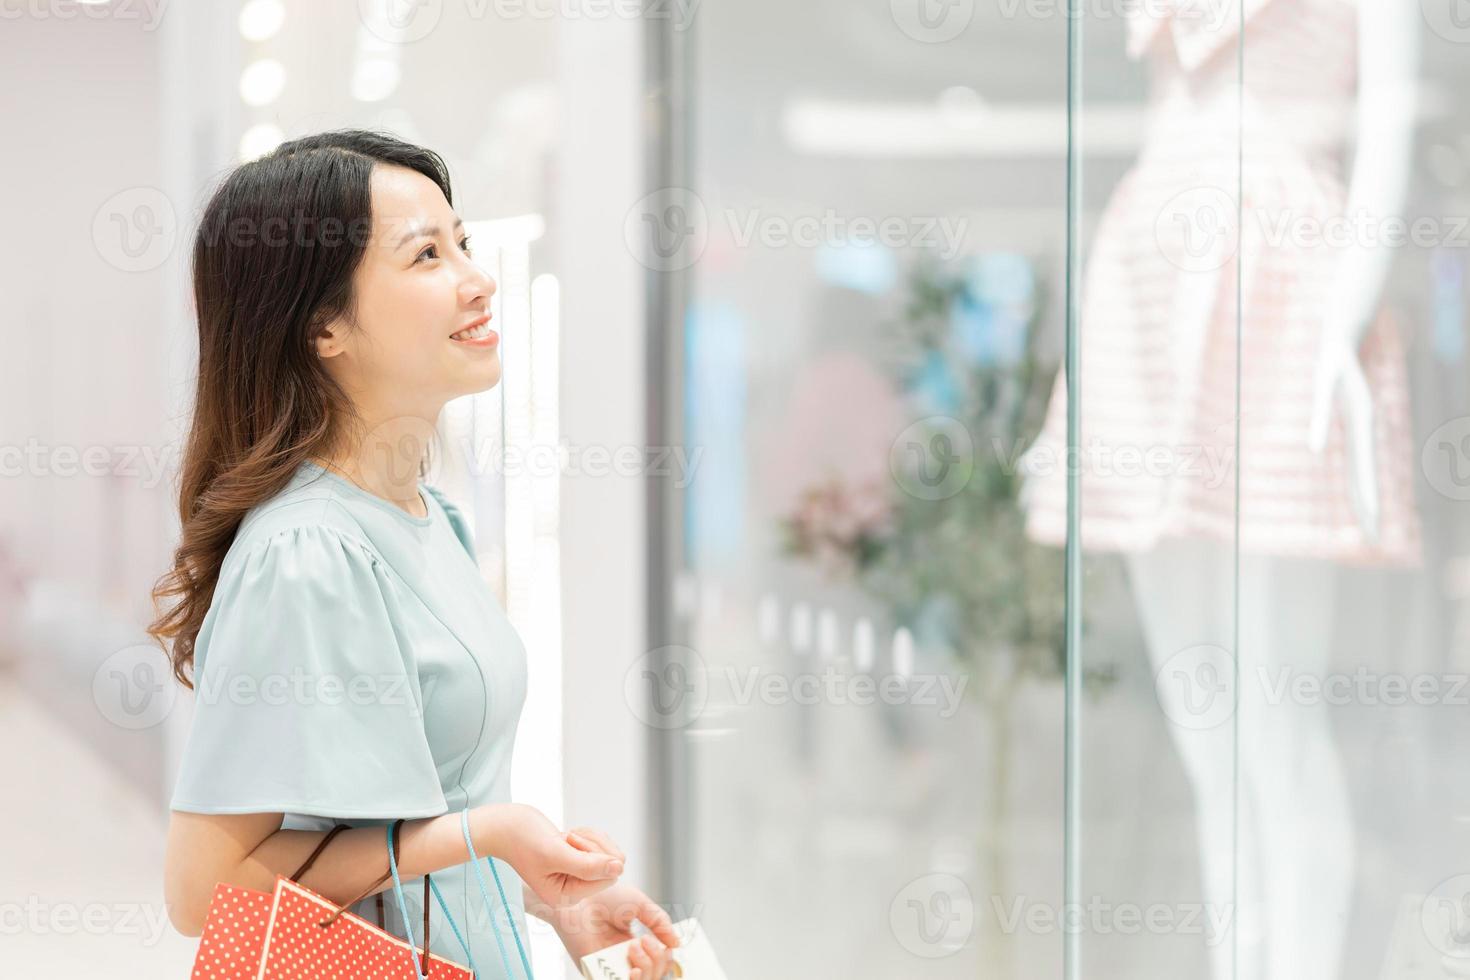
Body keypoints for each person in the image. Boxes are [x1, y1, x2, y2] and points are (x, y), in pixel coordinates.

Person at [149, 129, 678, 979]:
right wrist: (495, 833)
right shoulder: (308, 553)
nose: (477, 279)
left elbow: (417, 811)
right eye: (427, 255)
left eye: (462, 242)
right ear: (324, 327)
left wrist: (550, 896)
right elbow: (203, 893)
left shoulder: (429, 520)